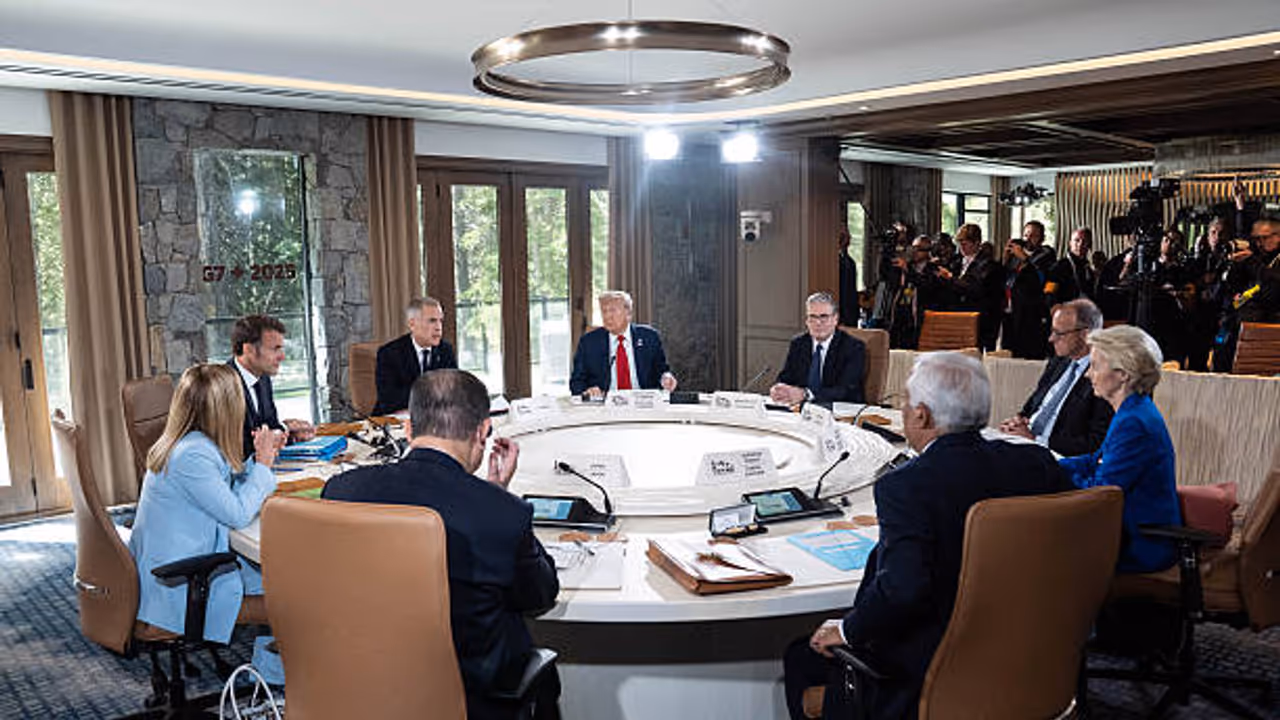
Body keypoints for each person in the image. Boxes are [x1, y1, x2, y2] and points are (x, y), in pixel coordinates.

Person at [783, 352, 1071, 720]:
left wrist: (848, 630)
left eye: (905, 401)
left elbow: (903, 590)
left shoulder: (906, 486)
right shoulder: (1035, 464)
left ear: (922, 415)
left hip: (931, 671)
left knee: (801, 656)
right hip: (1034, 659)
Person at [323, 370, 560, 720]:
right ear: (482, 431)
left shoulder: (341, 493)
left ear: (408, 429)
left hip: (365, 688)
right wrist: (497, 497)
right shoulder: (503, 514)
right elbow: (540, 594)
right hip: (471, 700)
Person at [129, 364, 278, 644]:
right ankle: (273, 677)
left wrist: (256, 461)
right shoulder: (193, 456)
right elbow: (237, 514)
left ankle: (265, 675)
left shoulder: (190, 444)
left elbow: (221, 487)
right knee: (293, 605)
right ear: (228, 409)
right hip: (181, 585)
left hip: (186, 566)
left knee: (279, 581)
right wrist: (263, 466)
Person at [1059, 325, 1180, 573]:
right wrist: (1049, 462)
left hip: (1140, 543)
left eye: (1095, 366)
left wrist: (1055, 476)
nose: (1087, 374)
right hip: (1125, 531)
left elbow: (1102, 493)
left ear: (1123, 374)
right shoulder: (1133, 410)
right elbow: (1098, 460)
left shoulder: (1133, 422)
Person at [998, 299, 1113, 456]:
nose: (1051, 339)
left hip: (1056, 457)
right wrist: (1018, 422)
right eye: (1052, 331)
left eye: (1059, 333)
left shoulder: (1104, 376)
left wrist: (1035, 440)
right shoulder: (1058, 362)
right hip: (1025, 446)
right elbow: (1031, 407)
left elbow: (1094, 443)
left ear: (1086, 335)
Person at [230, 314, 314, 458]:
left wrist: (290, 435)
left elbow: (270, 425)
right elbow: (236, 445)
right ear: (249, 349)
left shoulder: (263, 378)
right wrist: (280, 432)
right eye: (275, 349)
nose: (282, 356)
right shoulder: (222, 385)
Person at [569, 290, 677, 397]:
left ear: (628, 313)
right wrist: (587, 391)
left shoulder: (649, 337)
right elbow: (576, 382)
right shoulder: (589, 342)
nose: (607, 316)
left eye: (612, 310)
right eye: (604, 311)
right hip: (605, 407)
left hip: (643, 404)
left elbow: (661, 370)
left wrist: (666, 378)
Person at [771, 292, 866, 405]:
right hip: (802, 411)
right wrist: (780, 389)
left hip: (841, 411)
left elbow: (845, 390)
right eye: (813, 317)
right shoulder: (798, 343)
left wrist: (806, 394)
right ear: (807, 321)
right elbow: (786, 378)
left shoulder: (853, 347)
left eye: (824, 317)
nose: (818, 323)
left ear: (835, 319)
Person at [373, 297, 458, 415]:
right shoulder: (389, 353)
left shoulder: (445, 350)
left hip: (434, 418)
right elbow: (388, 400)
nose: (438, 327)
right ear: (412, 324)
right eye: (432, 321)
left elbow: (453, 393)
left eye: (440, 321)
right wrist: (431, 392)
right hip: (392, 422)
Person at [941, 224, 1005, 352]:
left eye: (966, 243)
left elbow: (976, 288)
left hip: (978, 320)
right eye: (960, 243)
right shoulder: (955, 262)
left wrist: (950, 278)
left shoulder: (988, 264)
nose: (962, 247)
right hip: (956, 317)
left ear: (977, 243)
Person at [1001, 221, 1055, 359]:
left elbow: (1039, 278)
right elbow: (1005, 278)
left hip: (1031, 314)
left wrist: (1024, 258)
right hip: (1011, 312)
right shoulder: (1015, 256)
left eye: (1033, 236)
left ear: (1042, 238)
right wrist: (1005, 259)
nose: (1028, 239)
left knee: (1029, 355)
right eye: (1025, 235)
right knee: (1009, 354)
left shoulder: (1046, 253)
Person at [1047, 227, 1097, 305]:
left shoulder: (1088, 267)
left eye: (1084, 241)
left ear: (1089, 245)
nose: (1080, 244)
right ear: (1070, 243)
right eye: (1077, 240)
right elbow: (1049, 292)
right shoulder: (1058, 267)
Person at [838, 226, 860, 327]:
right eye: (846, 235)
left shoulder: (850, 262)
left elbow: (852, 290)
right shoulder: (834, 261)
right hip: (840, 311)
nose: (850, 237)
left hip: (850, 313)